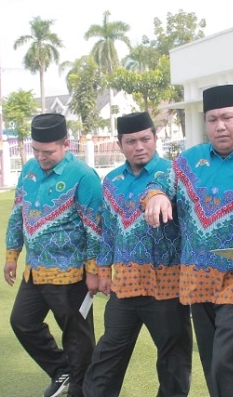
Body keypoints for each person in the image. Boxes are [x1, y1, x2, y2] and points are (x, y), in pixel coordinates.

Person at [142, 85, 233, 397]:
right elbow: (158, 182)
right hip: (196, 277)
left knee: (229, 362)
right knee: (213, 362)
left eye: (227, 117)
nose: (220, 126)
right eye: (212, 119)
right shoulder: (187, 161)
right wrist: (156, 195)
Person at [82, 112, 192, 397]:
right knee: (109, 352)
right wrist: (104, 271)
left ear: (155, 138)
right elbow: (108, 230)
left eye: (145, 139)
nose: (139, 146)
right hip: (125, 285)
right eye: (131, 141)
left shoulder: (175, 173)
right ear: (120, 145)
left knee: (173, 359)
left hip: (167, 285)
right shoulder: (112, 181)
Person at [3, 113, 102, 397]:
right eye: (35, 150)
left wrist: (94, 271)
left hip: (72, 273)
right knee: (22, 321)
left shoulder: (84, 176)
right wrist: (12, 254)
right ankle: (62, 370)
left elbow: (94, 228)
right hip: (34, 270)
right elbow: (16, 214)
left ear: (66, 144)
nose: (40, 156)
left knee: (78, 339)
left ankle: (81, 391)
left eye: (47, 151)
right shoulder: (29, 170)